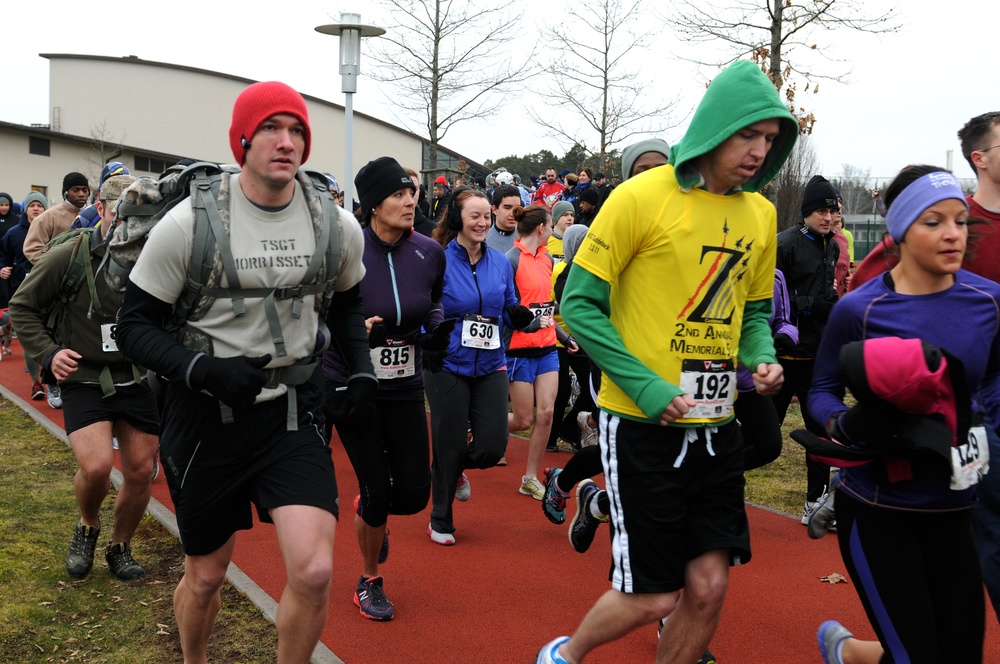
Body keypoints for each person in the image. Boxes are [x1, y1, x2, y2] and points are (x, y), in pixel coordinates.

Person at [536, 59, 797, 664]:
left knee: (707, 588)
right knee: (653, 597)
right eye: (748, 134)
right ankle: (565, 655)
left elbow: (752, 315)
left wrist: (761, 359)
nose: (759, 151)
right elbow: (576, 307)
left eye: (770, 140)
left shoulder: (759, 215)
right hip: (641, 426)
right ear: (716, 127)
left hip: (716, 428)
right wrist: (647, 388)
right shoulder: (640, 198)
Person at [114, 81, 368, 663]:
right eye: (274, 128)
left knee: (316, 568)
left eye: (298, 129)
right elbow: (134, 326)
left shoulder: (336, 226)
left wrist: (362, 374)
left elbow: (350, 305)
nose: (288, 141)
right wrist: (203, 370)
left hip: (292, 411)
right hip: (205, 416)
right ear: (243, 139)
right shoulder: (188, 226)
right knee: (206, 576)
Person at [808, 165, 997, 664]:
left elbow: (993, 381)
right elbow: (821, 390)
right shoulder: (861, 310)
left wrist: (974, 418)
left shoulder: (988, 302)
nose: (953, 232)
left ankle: (847, 654)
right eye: (934, 221)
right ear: (900, 232)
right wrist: (845, 425)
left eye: (960, 220)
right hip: (877, 509)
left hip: (957, 510)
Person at [9, 174, 161, 581]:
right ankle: (88, 525)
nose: (133, 227)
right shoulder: (71, 254)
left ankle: (120, 545)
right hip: (84, 374)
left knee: (140, 470)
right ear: (102, 208)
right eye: (123, 216)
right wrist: (49, 352)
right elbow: (22, 306)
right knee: (95, 468)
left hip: (136, 375)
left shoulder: (157, 254)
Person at [323, 156, 449, 621]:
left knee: (415, 495)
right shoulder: (346, 251)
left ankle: (369, 513)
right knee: (377, 489)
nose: (410, 201)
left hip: (404, 383)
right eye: (398, 194)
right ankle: (369, 578)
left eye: (411, 192)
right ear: (373, 205)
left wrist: (435, 329)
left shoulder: (428, 252)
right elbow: (320, 316)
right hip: (351, 382)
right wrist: (357, 333)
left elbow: (433, 301)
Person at [426, 187, 535, 544]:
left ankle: (451, 469)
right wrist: (432, 335)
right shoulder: (439, 259)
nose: (482, 222)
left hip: (491, 363)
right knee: (448, 438)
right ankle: (440, 519)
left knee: (492, 445)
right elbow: (426, 307)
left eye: (486, 216)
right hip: (448, 363)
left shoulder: (500, 262)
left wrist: (516, 314)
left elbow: (507, 303)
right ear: (458, 218)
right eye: (475, 216)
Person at [774, 174, 841, 525]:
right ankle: (714, 487)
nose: (828, 218)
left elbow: (827, 294)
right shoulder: (784, 243)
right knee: (765, 438)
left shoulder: (834, 245)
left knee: (820, 434)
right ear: (806, 213)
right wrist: (813, 305)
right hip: (781, 356)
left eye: (833, 211)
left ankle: (815, 503)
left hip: (816, 356)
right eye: (821, 211)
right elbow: (768, 298)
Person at [506, 204, 566, 500]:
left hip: (547, 349)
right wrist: (528, 324)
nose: (554, 228)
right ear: (540, 227)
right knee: (522, 420)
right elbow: (508, 309)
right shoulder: (511, 260)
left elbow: (547, 306)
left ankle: (529, 477)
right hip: (518, 350)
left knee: (546, 413)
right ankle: (481, 424)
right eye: (551, 223)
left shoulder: (548, 260)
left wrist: (564, 336)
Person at [1, 191, 48, 398]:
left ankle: (52, 382)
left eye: (40, 205)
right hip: (22, 291)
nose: (36, 208)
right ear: (25, 210)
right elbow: (3, 257)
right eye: (32, 205)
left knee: (51, 336)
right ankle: (36, 383)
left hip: (50, 291)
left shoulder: (53, 231)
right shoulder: (13, 233)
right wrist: (2, 269)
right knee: (30, 338)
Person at [22, 171, 90, 263]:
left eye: (84, 190)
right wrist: (56, 269)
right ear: (66, 193)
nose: (81, 194)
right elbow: (33, 250)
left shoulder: (97, 214)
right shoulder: (47, 217)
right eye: (75, 190)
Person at [485, 184, 521, 254]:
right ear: (494, 209)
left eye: (517, 208)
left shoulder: (527, 237)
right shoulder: (484, 240)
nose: (513, 213)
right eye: (507, 208)